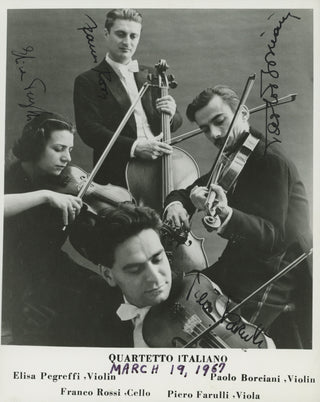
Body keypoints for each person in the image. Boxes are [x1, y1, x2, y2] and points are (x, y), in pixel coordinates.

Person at [163, 85, 313, 348]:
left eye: (219, 121)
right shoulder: (235, 156)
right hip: (243, 261)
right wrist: (176, 204)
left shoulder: (269, 160)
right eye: (205, 128)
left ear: (243, 112)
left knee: (217, 336)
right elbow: (189, 190)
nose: (214, 134)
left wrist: (227, 214)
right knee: (183, 294)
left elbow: (273, 238)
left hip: (278, 269)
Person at [69, 203, 275, 348]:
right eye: (135, 269)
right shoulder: (94, 324)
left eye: (157, 259)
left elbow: (256, 340)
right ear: (108, 275)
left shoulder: (200, 286)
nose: (155, 277)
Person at [2, 111, 93, 346]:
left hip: (49, 266)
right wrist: (45, 195)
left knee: (100, 291)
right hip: (15, 277)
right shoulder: (10, 178)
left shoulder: (59, 183)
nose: (67, 159)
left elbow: (80, 235)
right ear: (35, 146)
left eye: (69, 150)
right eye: (59, 149)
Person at [73, 8, 182, 187]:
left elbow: (176, 122)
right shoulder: (88, 80)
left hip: (161, 164)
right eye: (121, 34)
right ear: (106, 34)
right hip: (118, 169)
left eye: (133, 36)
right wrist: (134, 147)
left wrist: (171, 114)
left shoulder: (153, 74)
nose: (127, 42)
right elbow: (89, 130)